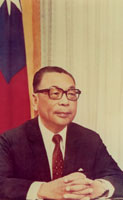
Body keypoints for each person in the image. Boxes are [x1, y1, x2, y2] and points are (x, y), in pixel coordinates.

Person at [0, 66, 123, 200]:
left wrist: (98, 187)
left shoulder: (90, 139)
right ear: (35, 101)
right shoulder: (10, 140)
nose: (65, 102)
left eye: (71, 94)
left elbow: (117, 177)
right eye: (55, 93)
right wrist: (42, 189)